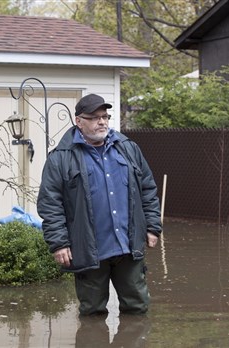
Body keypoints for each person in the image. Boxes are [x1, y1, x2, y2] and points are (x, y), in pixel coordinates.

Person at [37, 93, 162, 316]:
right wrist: (59, 243)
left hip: (128, 247)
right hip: (88, 250)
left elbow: (147, 188)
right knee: (92, 313)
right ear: (79, 121)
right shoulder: (60, 158)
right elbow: (50, 203)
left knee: (137, 308)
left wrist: (152, 226)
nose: (102, 121)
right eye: (94, 117)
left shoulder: (128, 148)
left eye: (104, 116)